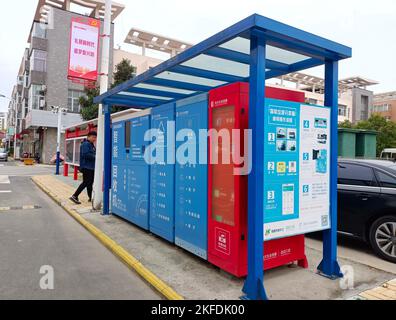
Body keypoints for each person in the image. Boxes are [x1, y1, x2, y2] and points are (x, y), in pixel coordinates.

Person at [70, 131, 97, 205]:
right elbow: (86, 155)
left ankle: (90, 197)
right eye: (93, 137)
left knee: (89, 183)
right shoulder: (86, 144)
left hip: (90, 167)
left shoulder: (91, 144)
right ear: (89, 137)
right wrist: (97, 157)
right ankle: (75, 196)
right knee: (86, 182)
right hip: (87, 167)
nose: (95, 139)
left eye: (95, 137)